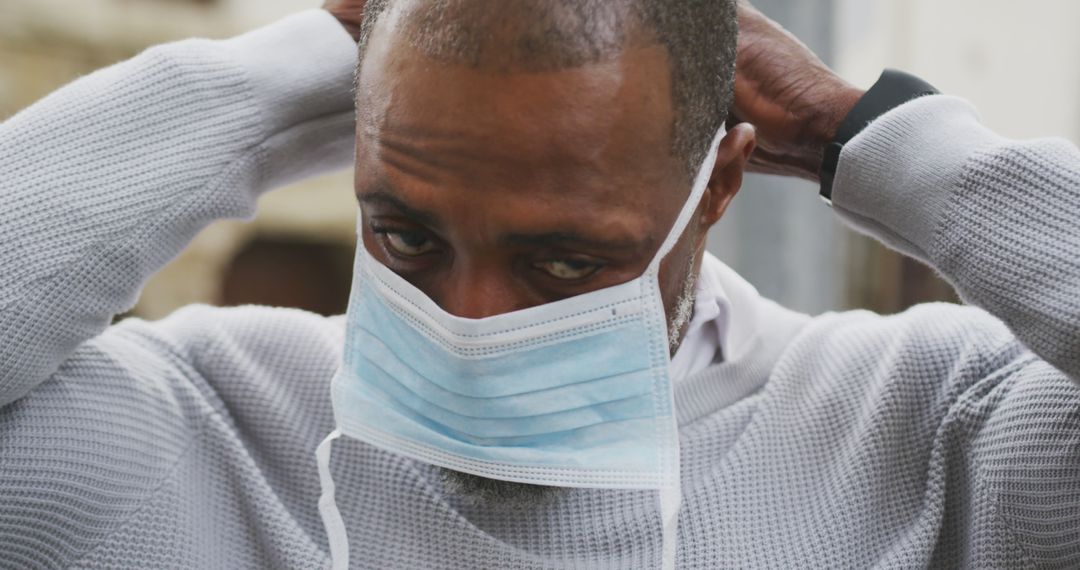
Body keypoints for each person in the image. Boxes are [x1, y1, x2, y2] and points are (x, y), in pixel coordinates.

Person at [1, 0, 1078, 567]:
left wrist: (876, 138)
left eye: (563, 262)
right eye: (407, 238)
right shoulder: (195, 431)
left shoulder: (933, 439)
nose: (467, 323)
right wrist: (284, 78)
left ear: (720, 186)